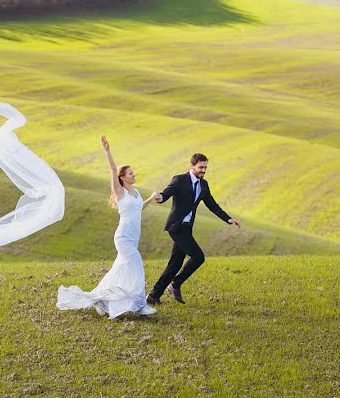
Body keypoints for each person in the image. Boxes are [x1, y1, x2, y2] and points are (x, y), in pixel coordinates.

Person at [57, 136, 159, 319]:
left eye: (134, 173)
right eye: (130, 174)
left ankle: (101, 300)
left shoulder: (136, 193)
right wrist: (107, 151)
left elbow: (138, 208)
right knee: (137, 266)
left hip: (133, 237)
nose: (134, 175)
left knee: (119, 270)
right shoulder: (119, 192)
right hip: (123, 237)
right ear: (122, 177)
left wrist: (151, 199)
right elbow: (112, 168)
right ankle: (140, 305)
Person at [147, 153, 240, 305]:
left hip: (187, 228)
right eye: (201, 167)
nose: (203, 170)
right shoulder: (179, 180)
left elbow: (212, 205)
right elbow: (166, 194)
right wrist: (159, 197)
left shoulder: (203, 185)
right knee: (198, 257)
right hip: (176, 226)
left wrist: (228, 219)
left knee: (175, 264)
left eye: (205, 167)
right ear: (192, 166)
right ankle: (175, 285)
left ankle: (153, 295)